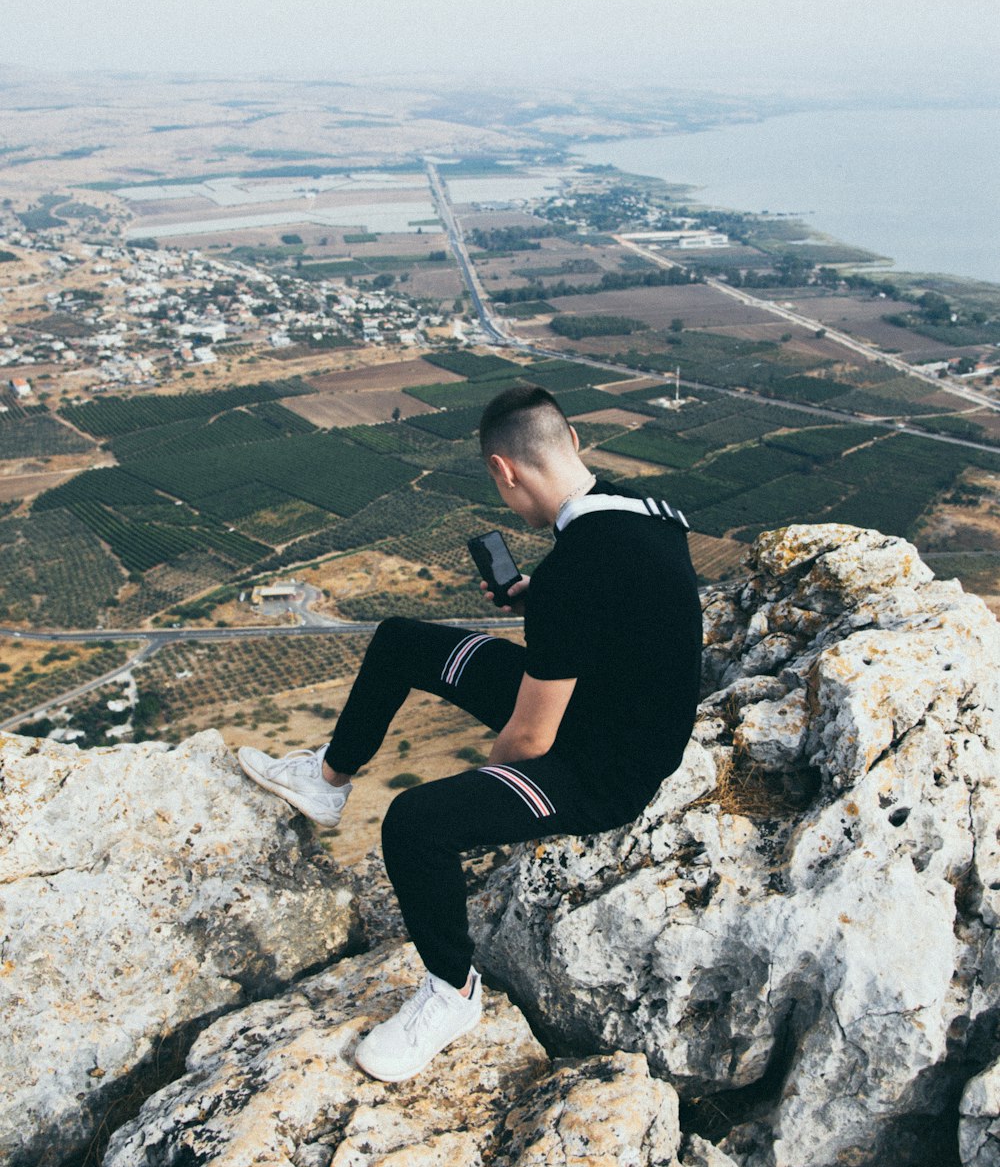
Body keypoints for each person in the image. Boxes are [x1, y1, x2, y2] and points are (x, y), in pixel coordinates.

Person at [238, 383, 702, 1082]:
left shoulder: (574, 573)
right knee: (399, 641)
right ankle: (328, 780)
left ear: (502, 471)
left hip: (607, 768)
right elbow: (621, 601)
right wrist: (536, 599)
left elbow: (530, 741)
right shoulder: (642, 512)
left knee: (417, 823)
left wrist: (491, 788)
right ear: (572, 442)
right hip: (608, 702)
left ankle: (452, 992)